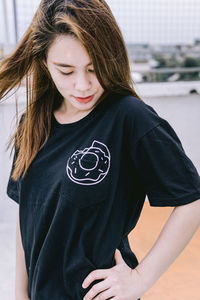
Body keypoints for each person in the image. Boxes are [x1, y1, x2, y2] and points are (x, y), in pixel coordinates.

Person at [1, 0, 200, 299]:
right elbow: (27, 215)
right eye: (65, 70)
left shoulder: (129, 118)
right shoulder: (33, 124)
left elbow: (191, 200)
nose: (82, 85)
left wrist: (139, 280)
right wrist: (21, 294)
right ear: (44, 62)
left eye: (94, 68)